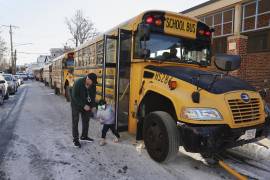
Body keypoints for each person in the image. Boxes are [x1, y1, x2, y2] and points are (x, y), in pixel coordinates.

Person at [71, 73, 97, 148]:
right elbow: (74, 96)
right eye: (93, 81)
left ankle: (84, 136)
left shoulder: (93, 85)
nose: (93, 83)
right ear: (88, 79)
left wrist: (93, 106)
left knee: (86, 120)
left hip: (86, 104)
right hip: (76, 104)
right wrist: (83, 105)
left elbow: (93, 96)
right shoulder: (78, 83)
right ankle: (75, 140)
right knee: (75, 121)